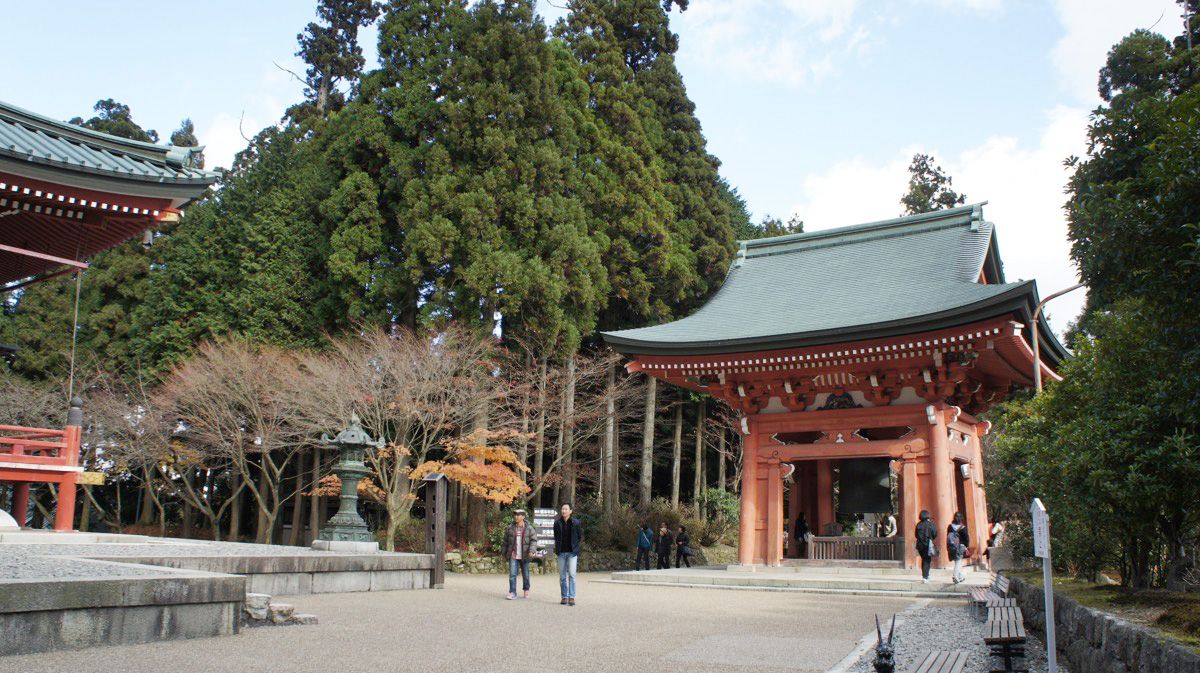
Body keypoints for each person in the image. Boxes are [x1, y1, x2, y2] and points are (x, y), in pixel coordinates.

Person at [502, 508, 537, 600]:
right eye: (515, 515)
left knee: (526, 574)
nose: (516, 517)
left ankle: (526, 589)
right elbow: (505, 542)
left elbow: (534, 541)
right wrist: (504, 554)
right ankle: (512, 592)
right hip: (513, 554)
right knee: (512, 574)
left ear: (523, 517)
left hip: (525, 555)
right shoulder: (510, 528)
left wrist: (531, 551)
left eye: (518, 515)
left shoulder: (529, 528)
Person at [553, 502, 582, 606]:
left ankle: (572, 596)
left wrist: (575, 547)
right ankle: (564, 596)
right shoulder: (557, 523)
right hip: (561, 552)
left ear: (570, 511)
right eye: (562, 509)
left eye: (566, 509)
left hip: (572, 552)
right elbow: (556, 536)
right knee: (562, 576)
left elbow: (579, 536)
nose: (563, 511)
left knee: (572, 574)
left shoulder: (576, 523)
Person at [914, 510, 937, 583]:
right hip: (928, 544)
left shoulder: (918, 525)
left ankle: (926, 574)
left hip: (920, 545)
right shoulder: (930, 524)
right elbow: (935, 533)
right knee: (927, 560)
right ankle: (925, 577)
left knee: (924, 559)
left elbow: (916, 535)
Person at [947, 512, 969, 584]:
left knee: (957, 562)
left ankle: (961, 577)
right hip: (960, 546)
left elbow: (948, 536)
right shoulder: (963, 527)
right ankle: (955, 577)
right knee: (958, 562)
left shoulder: (950, 526)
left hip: (952, 546)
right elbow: (966, 538)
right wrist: (966, 546)